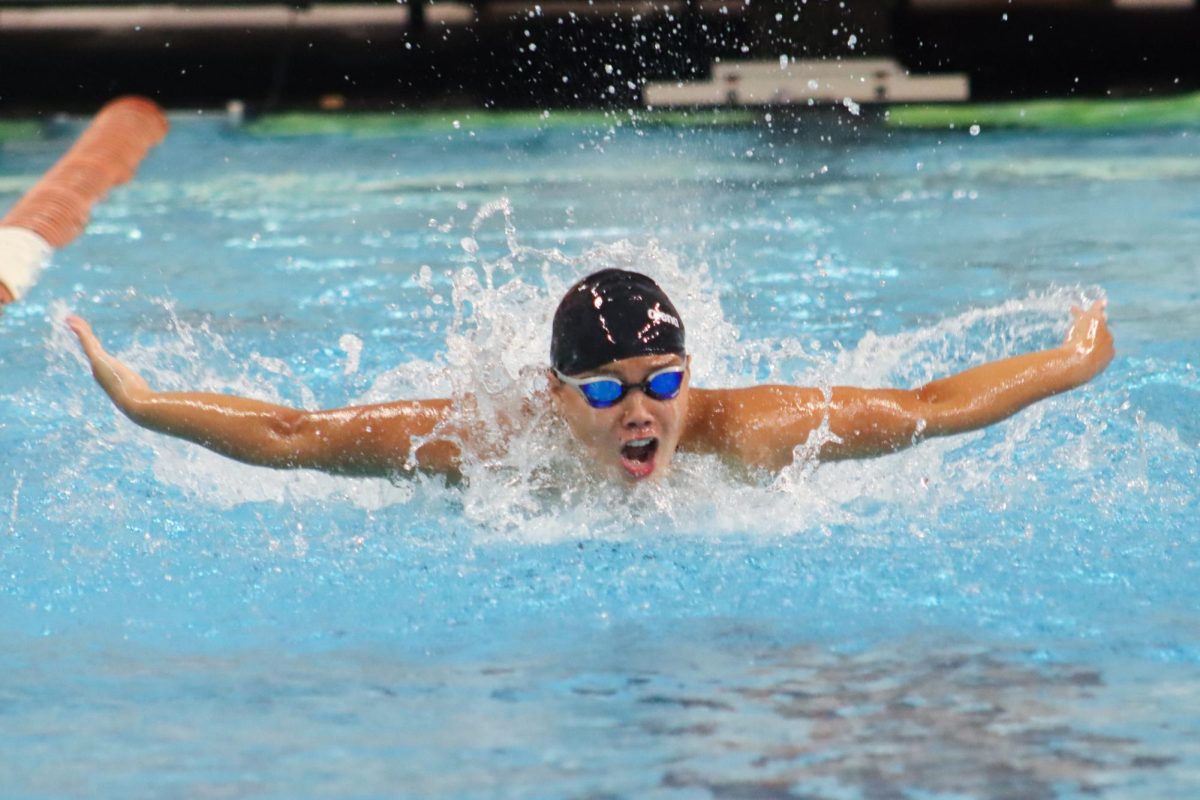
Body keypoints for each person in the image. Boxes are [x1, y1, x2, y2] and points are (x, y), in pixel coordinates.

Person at [67, 268, 1114, 483]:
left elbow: (931, 407)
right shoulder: (483, 437)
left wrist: (1072, 358)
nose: (642, 411)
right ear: (556, 392)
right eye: (606, 390)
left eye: (662, 381)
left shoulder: (746, 431)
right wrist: (143, 400)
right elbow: (297, 434)